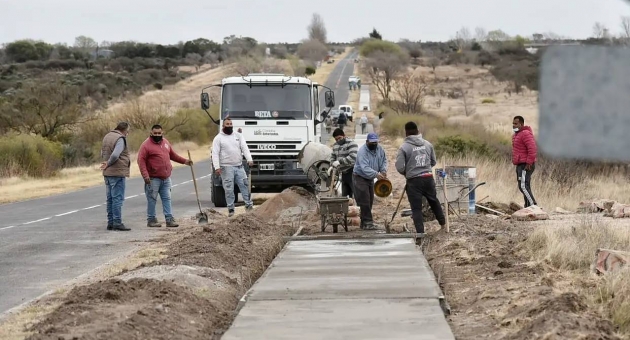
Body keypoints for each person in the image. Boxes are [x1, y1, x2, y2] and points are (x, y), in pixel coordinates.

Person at [395, 121, 446, 237]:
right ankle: (443, 224)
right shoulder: (428, 144)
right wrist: (424, 169)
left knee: (416, 208)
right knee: (434, 201)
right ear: (418, 131)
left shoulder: (404, 147)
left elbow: (399, 167)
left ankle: (420, 234)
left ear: (406, 133)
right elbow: (433, 162)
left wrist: (407, 173)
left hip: (414, 181)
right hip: (428, 178)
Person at [137, 124, 192, 228]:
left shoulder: (166, 143)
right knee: (152, 199)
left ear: (162, 133)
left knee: (167, 198)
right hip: (153, 179)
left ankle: (169, 219)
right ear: (151, 133)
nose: (157, 135)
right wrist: (145, 176)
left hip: (166, 178)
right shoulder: (146, 145)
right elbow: (141, 161)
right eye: (155, 133)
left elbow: (173, 155)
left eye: (159, 133)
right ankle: (151, 219)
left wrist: (185, 161)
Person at [212, 118, 254, 217]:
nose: (230, 125)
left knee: (244, 186)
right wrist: (217, 167)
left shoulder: (238, 136)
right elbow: (215, 153)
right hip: (226, 168)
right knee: (229, 189)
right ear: (223, 125)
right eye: (227, 124)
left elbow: (244, 148)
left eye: (231, 124)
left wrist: (249, 159)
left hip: (239, 166)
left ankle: (249, 207)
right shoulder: (218, 138)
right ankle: (231, 210)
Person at [100, 122, 131, 231]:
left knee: (110, 199)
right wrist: (109, 163)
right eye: (128, 131)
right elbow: (115, 155)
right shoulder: (120, 138)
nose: (128, 133)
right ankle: (117, 222)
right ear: (125, 130)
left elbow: (102, 153)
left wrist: (106, 163)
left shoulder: (107, 136)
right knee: (117, 198)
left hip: (107, 173)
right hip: (117, 172)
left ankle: (111, 222)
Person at [353, 132, 388, 230]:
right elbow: (365, 168)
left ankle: (364, 222)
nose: (374, 144)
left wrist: (383, 170)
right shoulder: (362, 152)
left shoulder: (380, 149)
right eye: (371, 143)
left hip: (370, 178)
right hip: (360, 177)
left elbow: (384, 160)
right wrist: (377, 174)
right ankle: (368, 222)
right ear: (367, 142)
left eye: (375, 142)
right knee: (364, 200)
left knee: (370, 200)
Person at [512, 115, 538, 208]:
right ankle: (527, 206)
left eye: (516, 123)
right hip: (520, 164)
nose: (514, 125)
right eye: (513, 123)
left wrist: (529, 163)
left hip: (526, 165)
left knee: (523, 186)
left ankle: (533, 206)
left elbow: (532, 149)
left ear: (521, 124)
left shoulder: (525, 133)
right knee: (525, 186)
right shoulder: (516, 135)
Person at [329, 128, 358, 198]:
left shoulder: (351, 143)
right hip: (343, 173)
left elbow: (353, 157)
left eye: (339, 138)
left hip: (352, 172)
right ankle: (348, 208)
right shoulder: (335, 145)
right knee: (345, 196)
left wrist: (339, 162)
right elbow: (332, 156)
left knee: (356, 194)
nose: (338, 140)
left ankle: (358, 207)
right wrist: (332, 164)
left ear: (344, 135)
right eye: (336, 139)